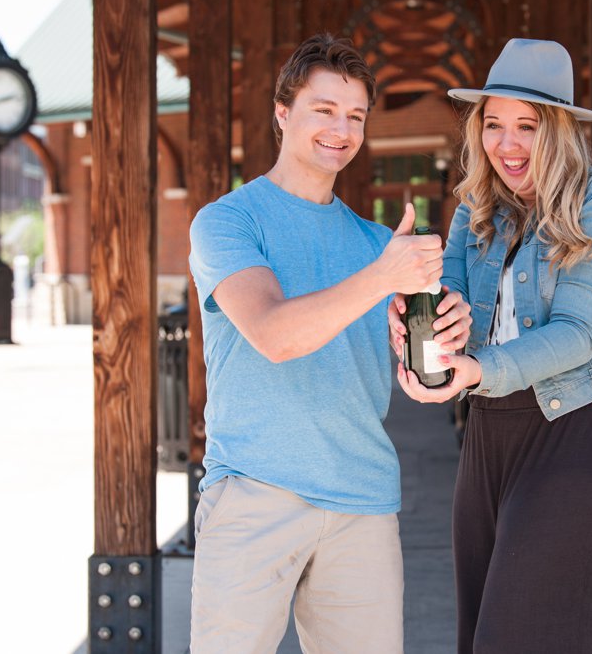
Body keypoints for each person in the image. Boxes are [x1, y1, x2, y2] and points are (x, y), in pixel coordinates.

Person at [187, 33, 470, 654]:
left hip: (362, 504)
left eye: (356, 116)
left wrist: (448, 331)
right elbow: (273, 334)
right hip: (255, 494)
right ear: (282, 113)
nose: (341, 130)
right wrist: (382, 276)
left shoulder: (377, 243)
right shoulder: (229, 221)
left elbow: (426, 369)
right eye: (324, 110)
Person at [389, 38, 592, 654]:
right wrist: (416, 314)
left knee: (523, 637)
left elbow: (579, 333)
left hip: (581, 432)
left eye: (526, 126)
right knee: (481, 632)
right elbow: (452, 310)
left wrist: (478, 368)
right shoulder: (475, 214)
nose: (507, 144)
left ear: (559, 130)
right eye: (493, 124)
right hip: (490, 433)